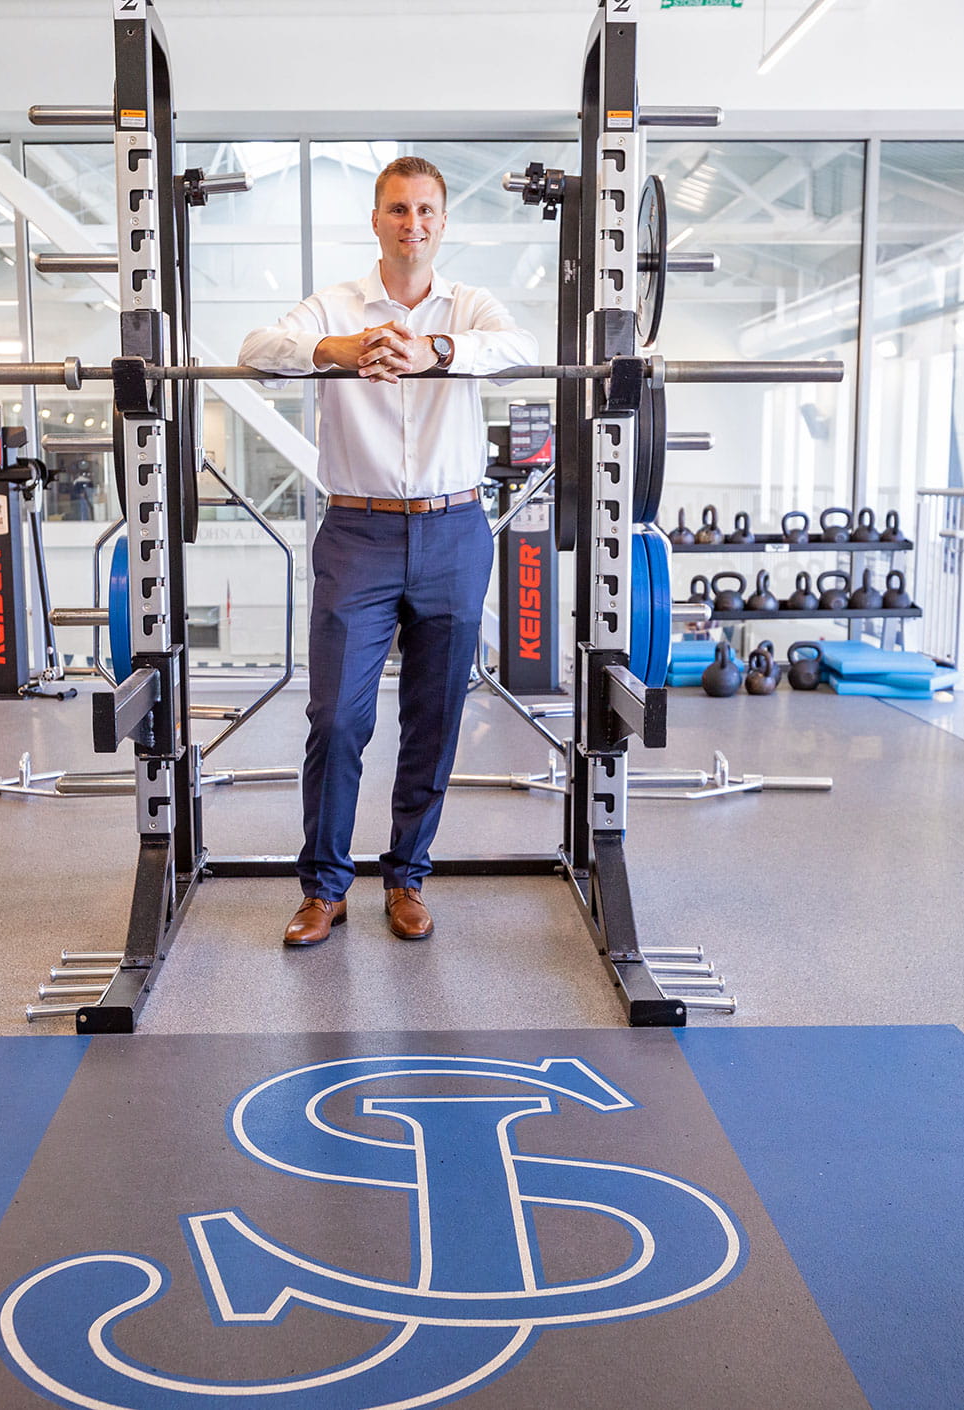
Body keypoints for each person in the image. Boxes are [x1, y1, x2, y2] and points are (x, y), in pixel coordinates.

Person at [239, 155, 540, 947]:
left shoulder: (470, 305)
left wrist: (435, 352)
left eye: (427, 211)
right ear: (375, 221)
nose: (414, 224)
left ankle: (406, 877)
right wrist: (339, 350)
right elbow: (256, 349)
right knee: (337, 718)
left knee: (434, 719)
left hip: (453, 531)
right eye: (399, 210)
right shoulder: (334, 304)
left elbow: (520, 348)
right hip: (357, 533)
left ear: (443, 222)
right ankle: (323, 889)